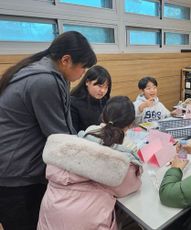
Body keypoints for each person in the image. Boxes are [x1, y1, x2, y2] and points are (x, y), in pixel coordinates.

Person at [0, 31, 96, 230]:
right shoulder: (45, 81)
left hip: (13, 169)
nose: (83, 73)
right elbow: (60, 137)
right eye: (83, 67)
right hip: (16, 176)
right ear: (66, 60)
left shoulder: (41, 70)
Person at [37, 96, 142, 230]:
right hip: (87, 221)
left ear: (103, 115)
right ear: (129, 125)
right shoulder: (122, 157)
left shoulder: (83, 135)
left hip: (50, 213)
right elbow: (132, 185)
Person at [70, 65, 112, 132]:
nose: (103, 91)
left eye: (106, 87)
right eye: (100, 86)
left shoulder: (105, 100)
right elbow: (73, 132)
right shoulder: (73, 103)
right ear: (87, 82)